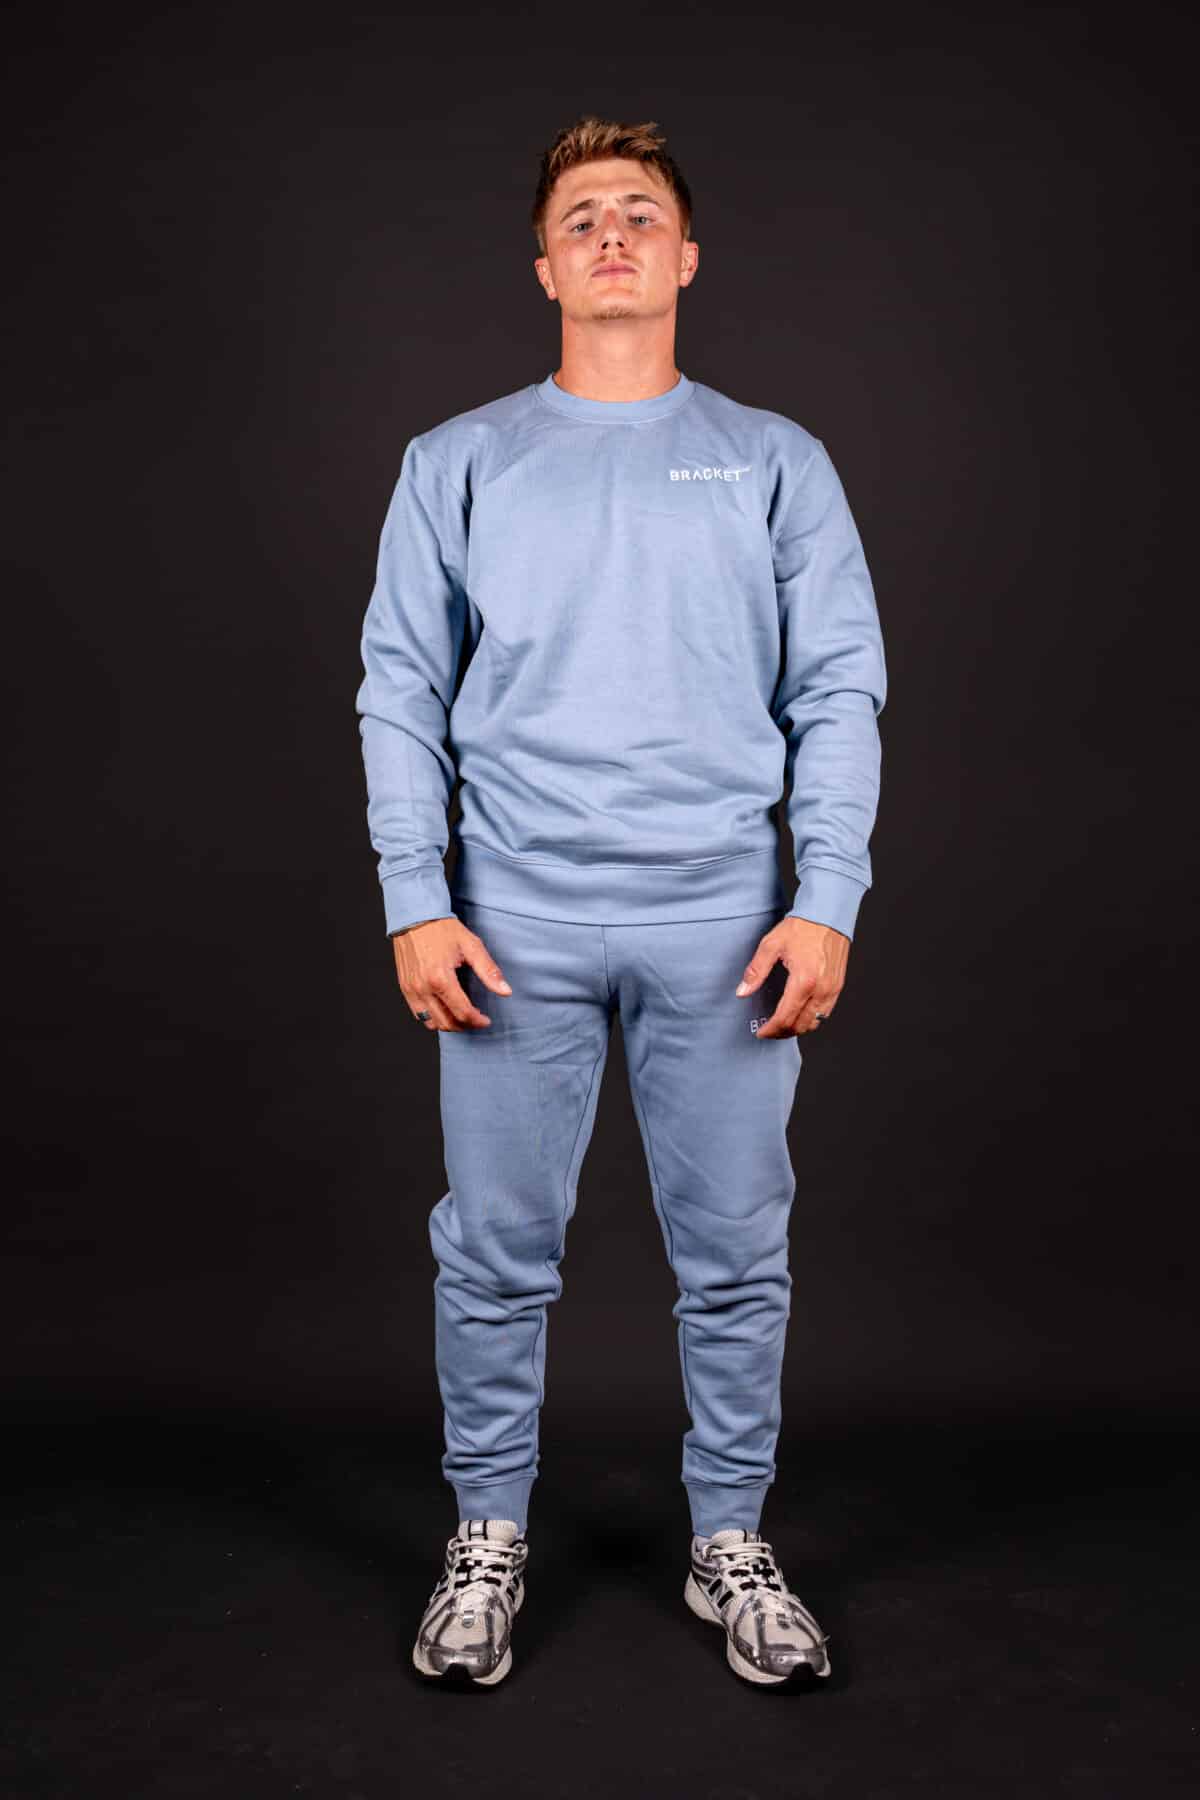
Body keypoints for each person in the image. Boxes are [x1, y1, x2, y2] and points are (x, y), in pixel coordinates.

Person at [355, 114, 887, 1690]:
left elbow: (839, 688)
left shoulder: (775, 459)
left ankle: (730, 1540)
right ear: (542, 267)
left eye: (639, 212)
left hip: (725, 926)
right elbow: (399, 689)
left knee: (736, 1254)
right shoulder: (457, 462)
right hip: (508, 922)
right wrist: (414, 897)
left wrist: (827, 895)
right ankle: (486, 1535)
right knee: (493, 1253)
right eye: (581, 215)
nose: (610, 233)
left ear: (686, 258)